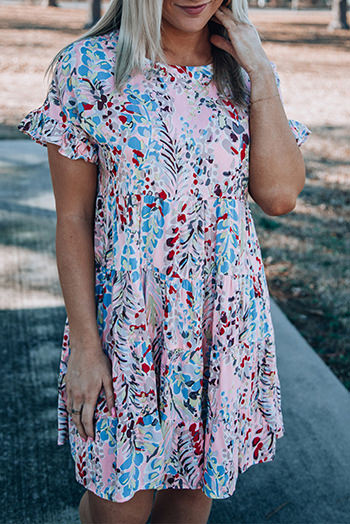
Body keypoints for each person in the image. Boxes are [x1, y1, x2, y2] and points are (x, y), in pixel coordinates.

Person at [17, 1, 311, 523]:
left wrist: (261, 72)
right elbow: (74, 218)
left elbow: (280, 195)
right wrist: (86, 344)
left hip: (218, 331)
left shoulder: (246, 72)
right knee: (117, 504)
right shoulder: (88, 69)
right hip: (127, 330)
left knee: (187, 507)